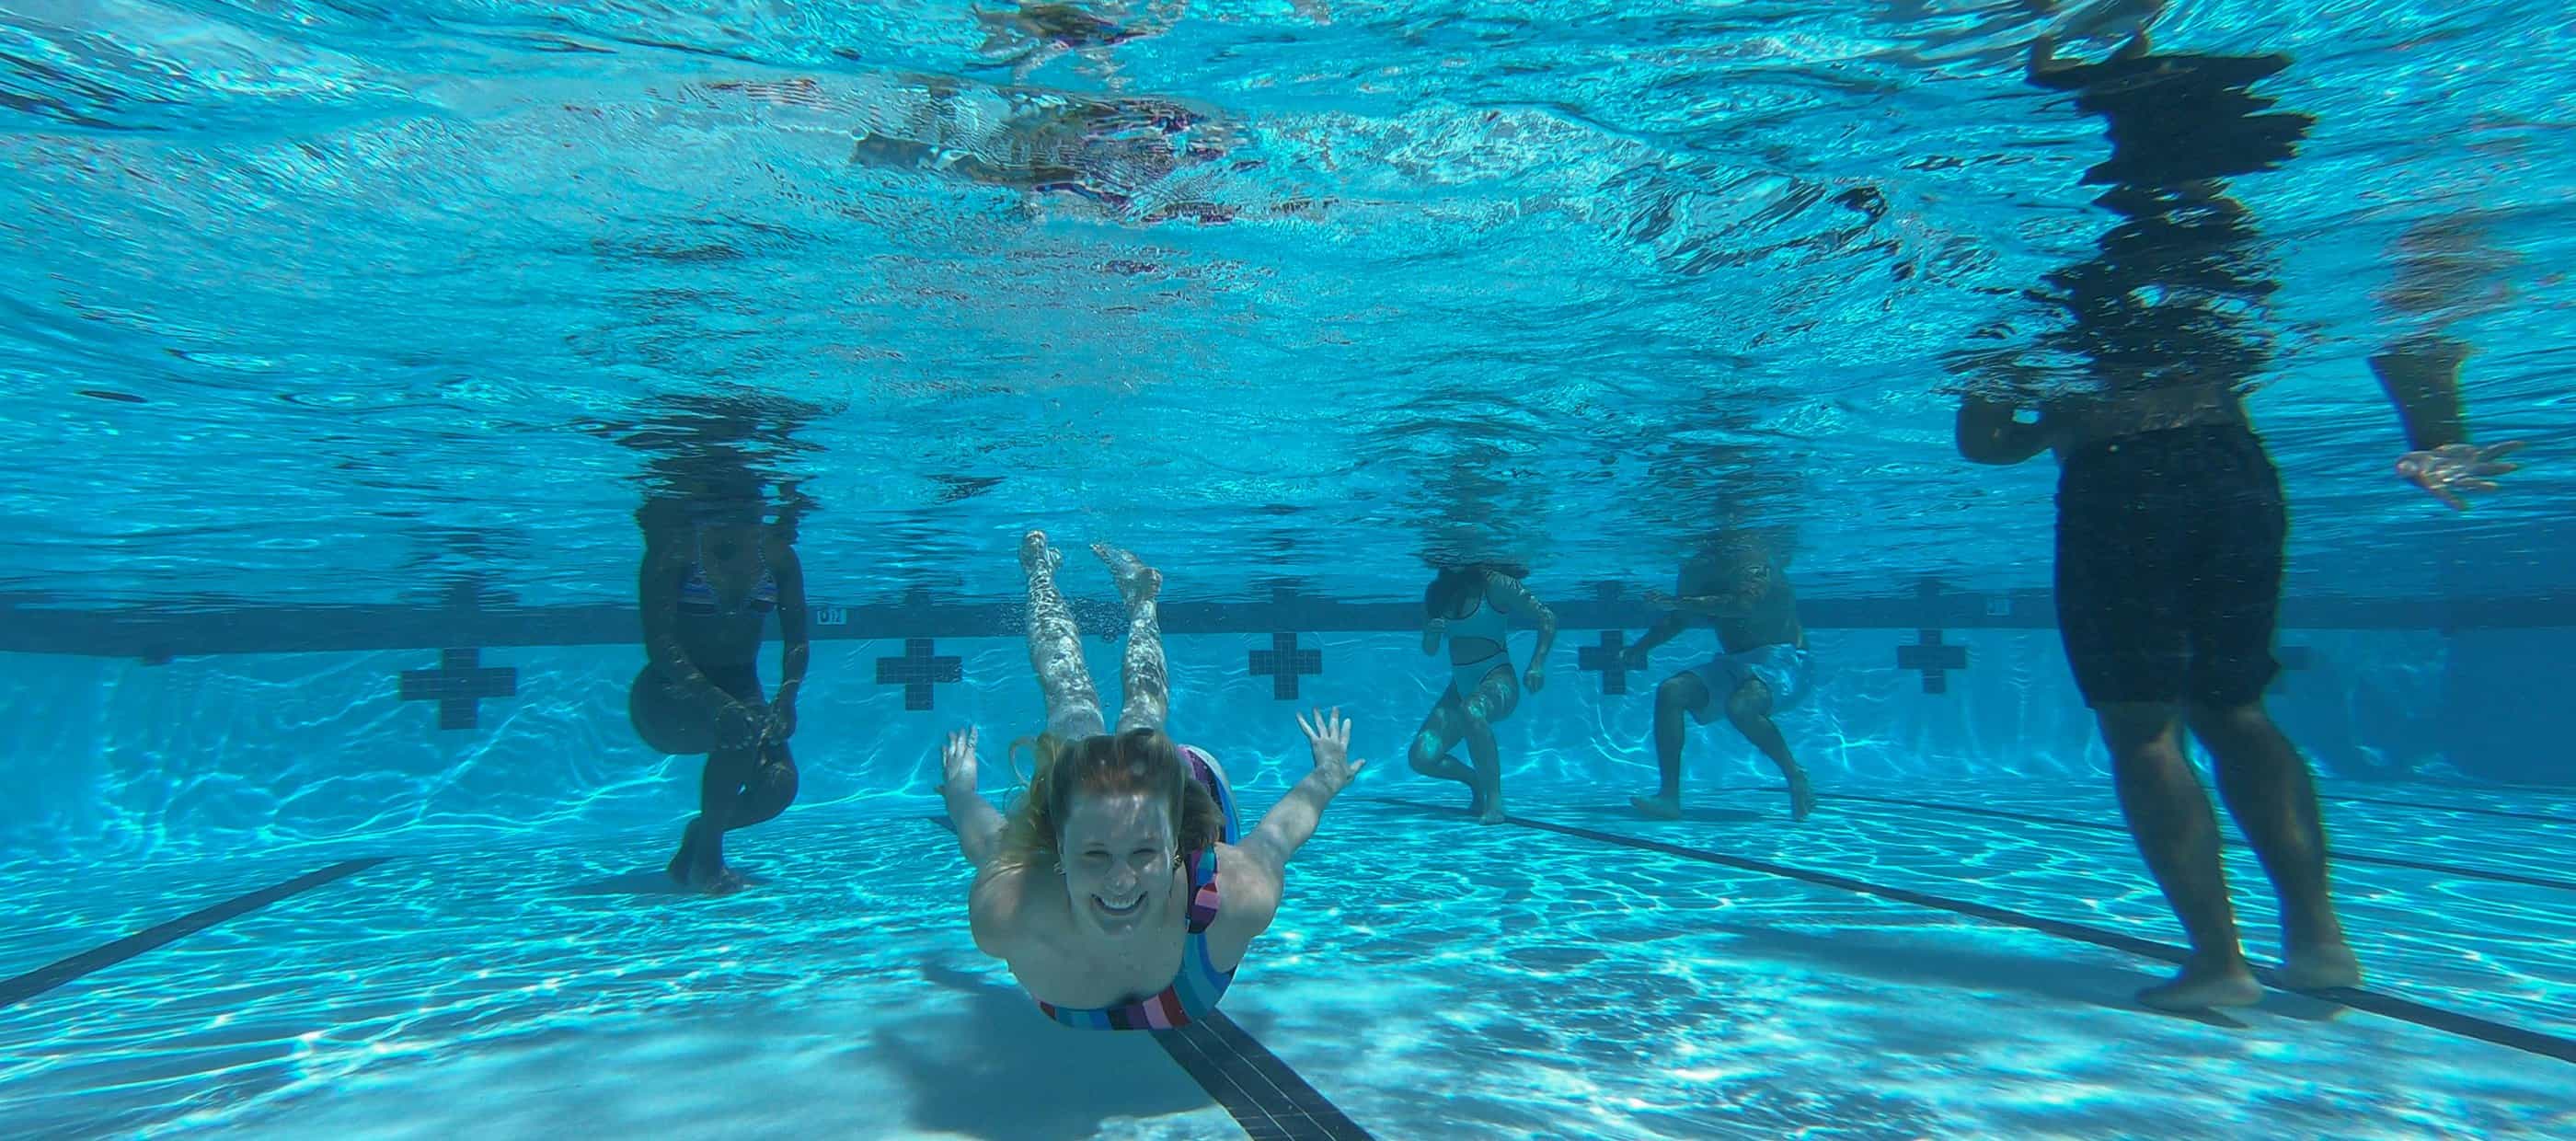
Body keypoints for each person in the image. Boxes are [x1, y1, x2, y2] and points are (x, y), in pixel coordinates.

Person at [1951, 21, 2523, 1010]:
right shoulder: (2245, 265)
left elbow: (1984, 441)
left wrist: (2056, 415)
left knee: (2141, 726)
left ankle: (2217, 963)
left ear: (2115, 175)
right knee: (2237, 709)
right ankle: (2321, 943)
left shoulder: (2065, 288)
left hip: (2121, 483)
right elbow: (2397, 335)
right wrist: (2438, 436)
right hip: (2234, 468)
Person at [938, 531, 1363, 1030]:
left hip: (1187, 790)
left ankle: (1128, 598)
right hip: (1116, 808)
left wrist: (1326, 776)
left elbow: (1276, 838)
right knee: (1074, 706)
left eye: (1142, 853)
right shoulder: (1009, 914)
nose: (1121, 882)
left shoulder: (1234, 898)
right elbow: (986, 838)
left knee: (1117, 720)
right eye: (1095, 855)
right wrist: (959, 793)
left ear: (1177, 845)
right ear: (1056, 846)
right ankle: (1072, 585)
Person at [631, 493, 810, 894]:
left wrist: (787, 697)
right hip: (668, 694)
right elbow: (660, 645)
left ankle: (701, 833)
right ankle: (708, 861)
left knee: (778, 786)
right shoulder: (676, 547)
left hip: (742, 690)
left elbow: (797, 640)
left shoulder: (778, 554)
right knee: (740, 731)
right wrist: (716, 701)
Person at [1622, 536, 1816, 822]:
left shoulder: (1753, 558)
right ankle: (1669, 797)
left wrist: (1677, 601)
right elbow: (1679, 617)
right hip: (1737, 662)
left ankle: (1794, 774)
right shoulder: (1695, 567)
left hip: (1785, 659)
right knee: (1671, 691)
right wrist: (1640, 648)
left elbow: (1744, 604)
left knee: (1741, 708)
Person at [1409, 564, 1557, 824]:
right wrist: (1431, 634)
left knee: (1472, 710)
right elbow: (1430, 649)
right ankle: (1476, 780)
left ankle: (1494, 800)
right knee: (1421, 758)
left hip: (1498, 679)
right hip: (1459, 687)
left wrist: (1537, 664)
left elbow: (1547, 617)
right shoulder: (1436, 592)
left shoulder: (1497, 584)